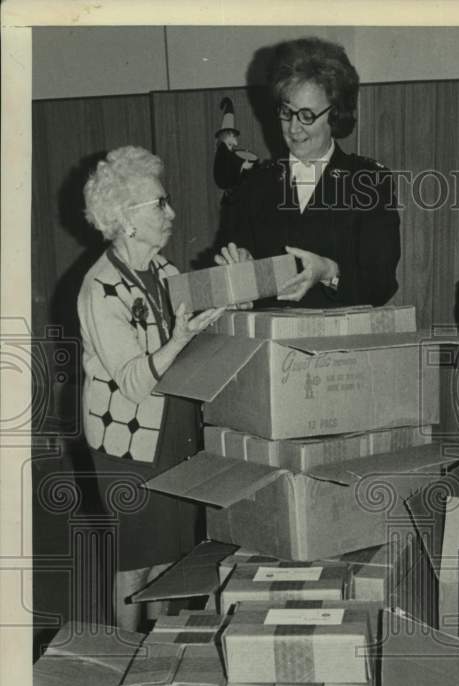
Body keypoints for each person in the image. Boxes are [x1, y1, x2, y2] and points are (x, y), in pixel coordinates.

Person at [78, 146, 223, 630]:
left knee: (168, 562)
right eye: (160, 204)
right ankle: (123, 660)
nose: (172, 213)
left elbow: (194, 342)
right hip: (128, 443)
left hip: (175, 433)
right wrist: (181, 338)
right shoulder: (99, 289)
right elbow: (136, 383)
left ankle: (153, 660)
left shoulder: (165, 272)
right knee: (134, 563)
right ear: (126, 219)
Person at [215, 36, 401, 308]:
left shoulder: (369, 181)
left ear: (335, 115)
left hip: (341, 345)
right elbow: (232, 270)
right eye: (286, 112)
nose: (293, 128)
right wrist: (237, 270)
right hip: (271, 344)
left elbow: (381, 284)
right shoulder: (254, 184)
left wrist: (329, 273)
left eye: (307, 116)